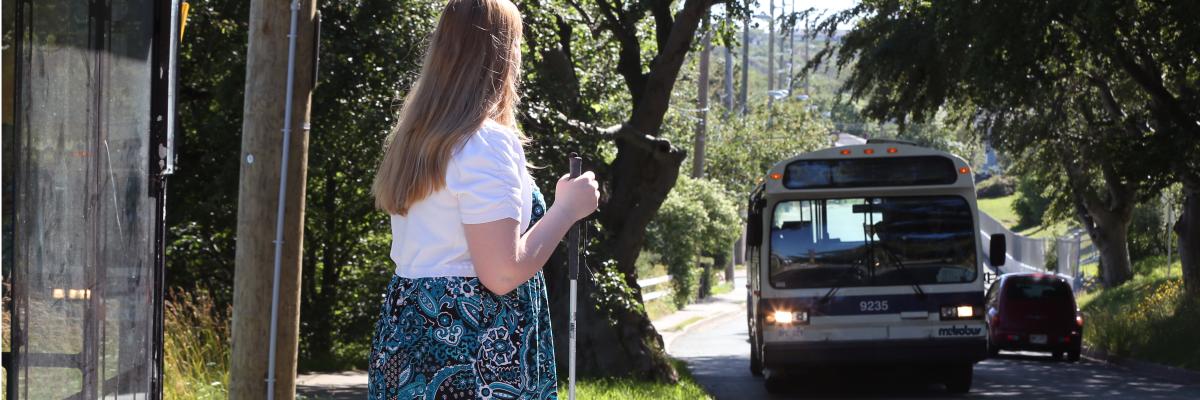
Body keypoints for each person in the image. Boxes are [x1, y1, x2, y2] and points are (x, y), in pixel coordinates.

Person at [367, 0, 599, 398]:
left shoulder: (416, 142)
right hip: (471, 351)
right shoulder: (484, 143)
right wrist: (565, 209)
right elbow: (502, 273)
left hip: (407, 338)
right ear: (502, 54)